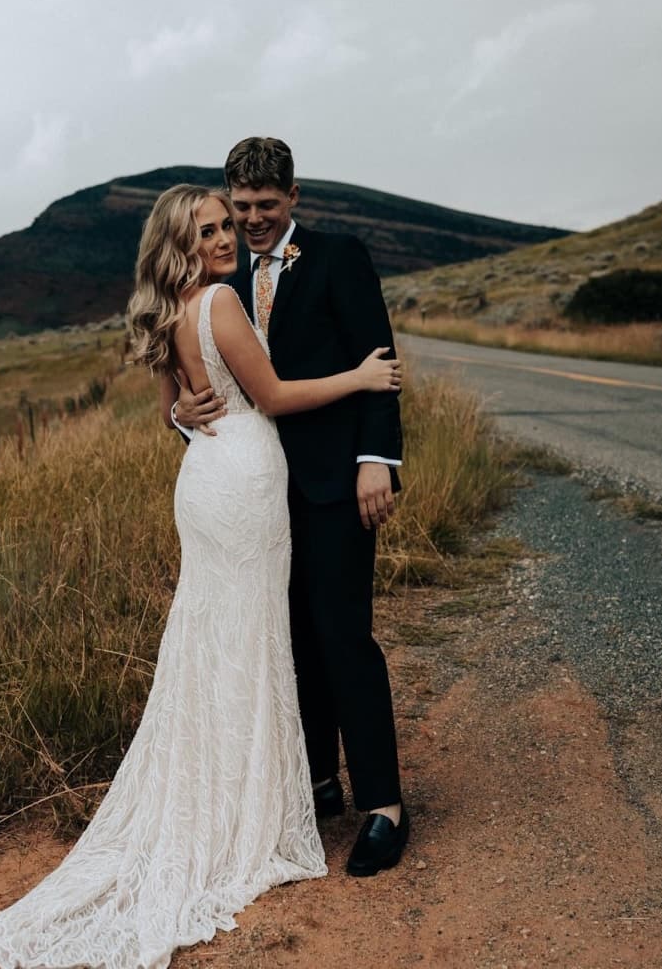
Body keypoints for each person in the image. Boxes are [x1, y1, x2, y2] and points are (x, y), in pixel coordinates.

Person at [0, 184, 401, 969]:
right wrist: (361, 380)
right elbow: (276, 396)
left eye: (229, 224)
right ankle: (250, 804)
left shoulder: (166, 309)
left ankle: (238, 786)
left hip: (203, 481)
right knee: (251, 636)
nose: (226, 237)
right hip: (248, 478)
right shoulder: (220, 301)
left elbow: (171, 412)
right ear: (181, 242)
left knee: (218, 636)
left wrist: (184, 414)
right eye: (211, 229)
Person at [173, 137, 409, 878]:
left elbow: (381, 365)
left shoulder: (340, 257)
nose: (251, 222)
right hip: (257, 491)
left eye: (266, 207)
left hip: (337, 480)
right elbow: (209, 377)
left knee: (344, 637)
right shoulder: (222, 273)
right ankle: (315, 782)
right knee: (291, 638)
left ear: (294, 197)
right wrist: (184, 409)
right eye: (239, 208)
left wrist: (379, 462)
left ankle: (385, 805)